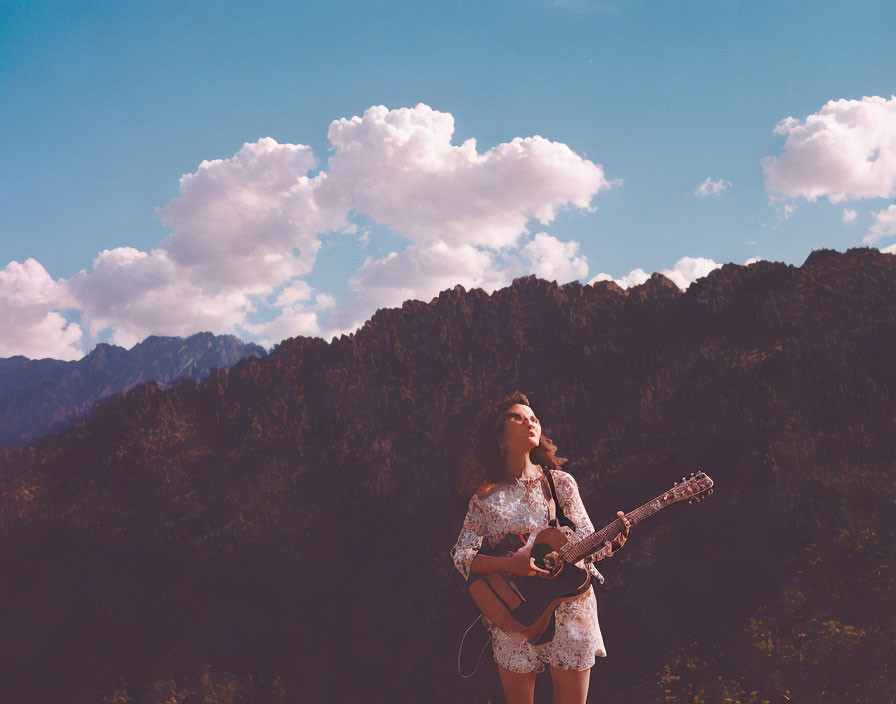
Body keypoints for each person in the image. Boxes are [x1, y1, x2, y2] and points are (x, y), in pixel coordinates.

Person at [451, 392, 630, 704]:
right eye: (517, 417)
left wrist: (612, 543)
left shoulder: (560, 484)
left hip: (571, 609)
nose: (529, 421)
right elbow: (462, 556)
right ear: (499, 435)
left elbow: (589, 543)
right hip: (517, 614)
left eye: (533, 417)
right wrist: (510, 566)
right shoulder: (484, 498)